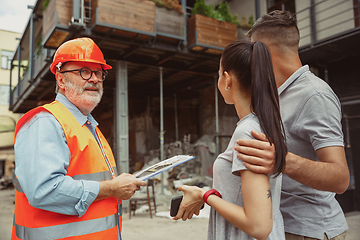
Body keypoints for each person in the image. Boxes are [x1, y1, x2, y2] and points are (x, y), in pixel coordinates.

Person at [11, 37, 147, 240]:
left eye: (99, 73)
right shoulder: (45, 122)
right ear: (61, 79)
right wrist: (111, 188)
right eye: (84, 71)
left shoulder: (88, 126)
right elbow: (45, 190)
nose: (93, 79)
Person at [234, 10, 349, 240]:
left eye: (253, 49)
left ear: (264, 51)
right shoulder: (274, 94)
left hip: (310, 232)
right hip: (280, 226)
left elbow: (340, 178)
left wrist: (281, 160)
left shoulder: (315, 95)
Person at [174, 40, 287, 240]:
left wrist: (204, 196)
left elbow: (259, 226)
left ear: (227, 80)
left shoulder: (248, 132)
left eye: (218, 74)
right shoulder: (266, 125)